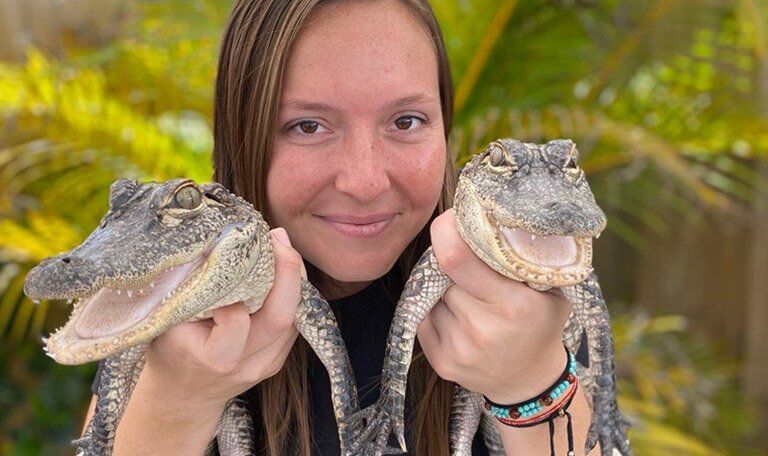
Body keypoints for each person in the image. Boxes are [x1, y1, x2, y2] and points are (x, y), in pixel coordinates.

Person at [83, 0, 597, 454]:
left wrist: (534, 383)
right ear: (244, 134)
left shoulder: (518, 284)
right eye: (307, 126)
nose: (365, 181)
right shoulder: (172, 289)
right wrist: (176, 400)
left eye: (406, 121)